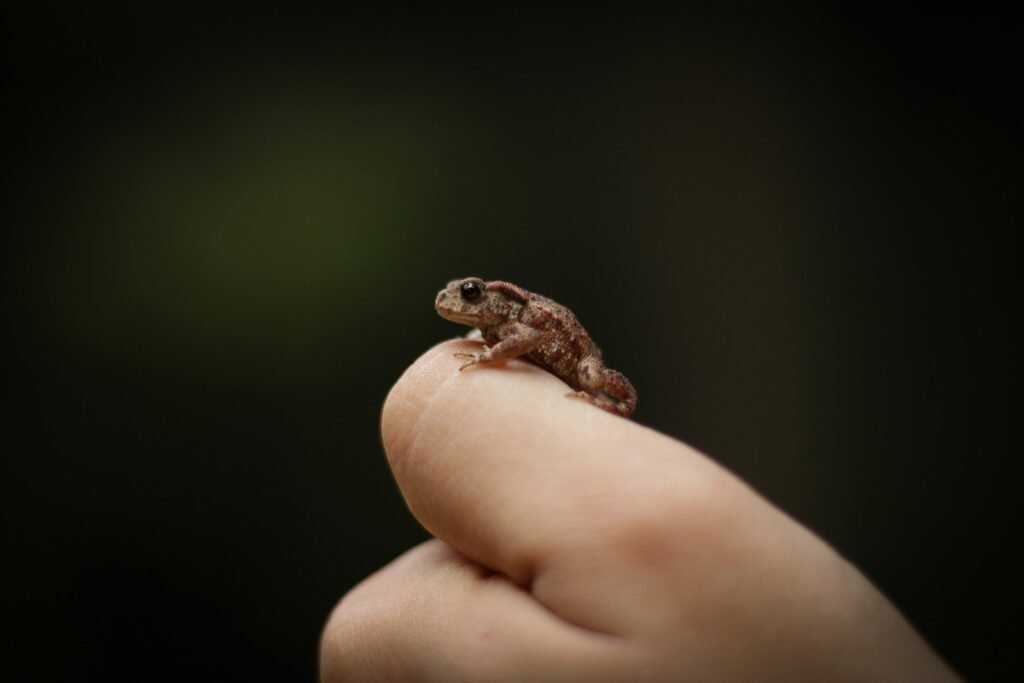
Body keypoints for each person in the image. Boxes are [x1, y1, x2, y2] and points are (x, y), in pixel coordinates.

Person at [320, 340, 960, 681]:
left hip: (577, 362)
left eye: (469, 294)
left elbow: (536, 342)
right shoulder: (496, 327)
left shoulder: (518, 318)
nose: (461, 306)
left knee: (599, 377)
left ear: (495, 298)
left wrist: (488, 359)